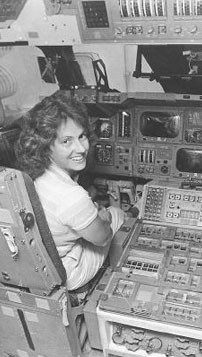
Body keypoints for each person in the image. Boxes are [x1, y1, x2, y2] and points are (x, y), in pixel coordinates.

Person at [15, 91, 125, 291]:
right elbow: (103, 238)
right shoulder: (72, 196)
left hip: (42, 264)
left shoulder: (34, 176)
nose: (81, 148)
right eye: (66, 141)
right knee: (117, 215)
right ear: (46, 145)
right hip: (67, 274)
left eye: (81, 136)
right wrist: (106, 216)